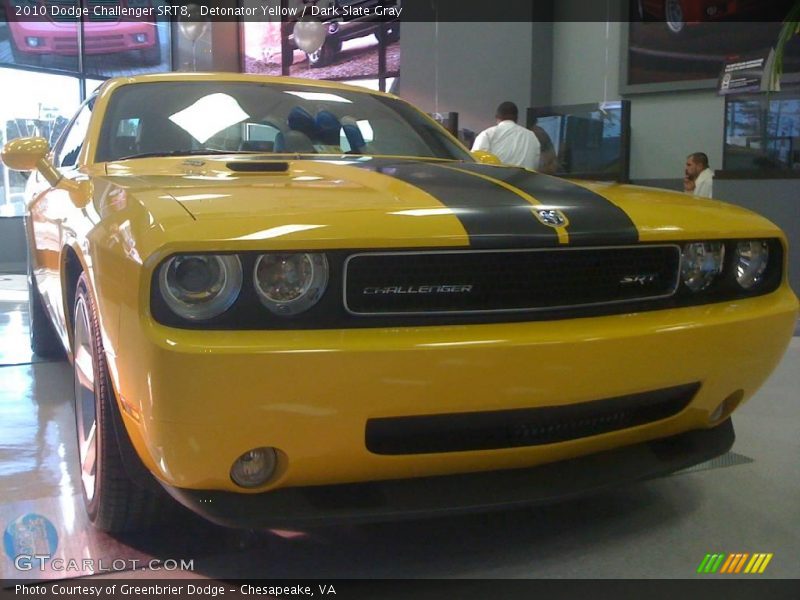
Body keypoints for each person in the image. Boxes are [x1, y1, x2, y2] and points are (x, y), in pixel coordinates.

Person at [471, 101, 540, 170]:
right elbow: (535, 163)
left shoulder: (487, 134)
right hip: (527, 179)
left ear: (497, 117)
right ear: (516, 118)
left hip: (497, 179)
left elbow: (475, 164)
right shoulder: (531, 136)